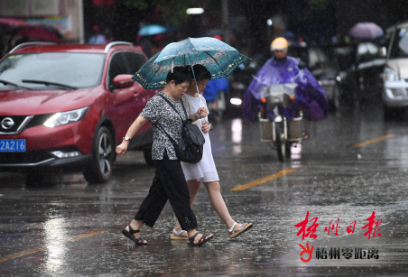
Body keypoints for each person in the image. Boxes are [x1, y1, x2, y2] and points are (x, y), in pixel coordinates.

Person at [116, 66, 213, 247]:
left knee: (158, 195)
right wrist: (125, 141)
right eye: (182, 87)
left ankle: (133, 226)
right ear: (171, 82)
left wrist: (196, 115)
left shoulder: (180, 100)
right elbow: (139, 121)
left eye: (187, 87)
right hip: (163, 153)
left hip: (176, 152)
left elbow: (183, 122)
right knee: (180, 191)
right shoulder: (157, 102)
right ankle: (192, 232)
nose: (185, 91)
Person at [170, 64, 253, 240]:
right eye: (202, 83)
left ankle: (178, 229)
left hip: (204, 148)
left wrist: (208, 125)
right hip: (192, 151)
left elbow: (205, 124)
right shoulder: (183, 100)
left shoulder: (201, 99)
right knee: (213, 185)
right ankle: (231, 226)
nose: (204, 87)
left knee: (193, 188)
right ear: (192, 81)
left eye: (206, 83)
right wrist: (196, 117)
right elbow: (179, 123)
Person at [243, 37, 328, 124]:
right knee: (262, 105)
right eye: (276, 51)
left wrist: (304, 84)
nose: (279, 53)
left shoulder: (294, 63)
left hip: (290, 94)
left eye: (281, 51)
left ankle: (297, 123)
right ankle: (264, 124)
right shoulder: (268, 64)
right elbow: (261, 77)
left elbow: (304, 76)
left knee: (300, 101)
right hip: (271, 95)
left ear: (286, 50)